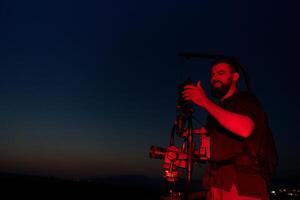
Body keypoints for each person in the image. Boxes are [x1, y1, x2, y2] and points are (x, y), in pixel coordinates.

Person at [182, 59, 278, 200]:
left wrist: (204, 101)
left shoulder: (245, 99)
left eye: (220, 73)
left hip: (242, 185)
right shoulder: (217, 112)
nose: (214, 78)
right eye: (212, 75)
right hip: (217, 184)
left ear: (235, 77)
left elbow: (245, 128)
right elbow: (213, 151)